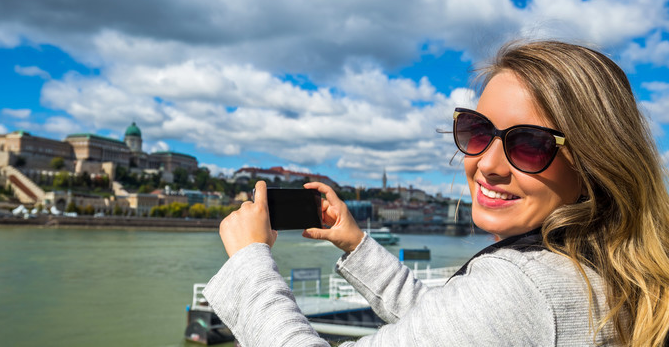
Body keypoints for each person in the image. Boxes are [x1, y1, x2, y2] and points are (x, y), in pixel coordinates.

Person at [203, 40, 669, 346]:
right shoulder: (608, 268)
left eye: (529, 145)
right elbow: (456, 325)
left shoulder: (522, 288)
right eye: (476, 130)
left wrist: (249, 263)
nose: (486, 164)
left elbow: (494, 313)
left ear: (595, 162)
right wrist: (356, 244)